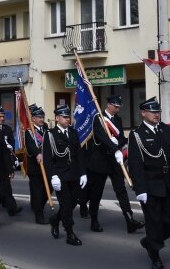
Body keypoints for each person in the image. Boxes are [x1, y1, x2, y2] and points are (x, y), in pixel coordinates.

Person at [128, 97, 170, 269]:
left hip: (167, 183)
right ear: (143, 113)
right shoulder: (136, 135)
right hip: (150, 186)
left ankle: (150, 241)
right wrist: (140, 190)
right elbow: (135, 164)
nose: (156, 114)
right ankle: (155, 256)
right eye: (153, 112)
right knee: (153, 222)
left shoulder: (165, 130)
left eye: (158, 111)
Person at [82, 95, 144, 233]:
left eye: (119, 107)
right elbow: (101, 137)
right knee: (96, 192)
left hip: (114, 161)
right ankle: (94, 220)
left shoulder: (118, 120)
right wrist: (114, 147)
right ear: (108, 105)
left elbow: (120, 137)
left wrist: (126, 142)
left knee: (121, 190)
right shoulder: (98, 118)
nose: (117, 109)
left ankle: (129, 219)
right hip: (99, 161)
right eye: (115, 106)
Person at [43, 105, 86, 245]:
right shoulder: (50, 134)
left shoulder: (73, 133)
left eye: (69, 117)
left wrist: (83, 173)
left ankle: (55, 219)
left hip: (73, 174)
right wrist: (52, 176)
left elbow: (79, 154)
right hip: (60, 175)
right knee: (66, 204)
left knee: (74, 202)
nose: (68, 119)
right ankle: (70, 233)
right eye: (65, 117)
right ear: (57, 118)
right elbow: (47, 158)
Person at [0, 106, 22, 216]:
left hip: (4, 163)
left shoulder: (7, 129)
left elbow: (11, 148)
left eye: (3, 116)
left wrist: (13, 159)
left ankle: (11, 208)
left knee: (7, 187)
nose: (2, 118)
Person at [24, 104, 50, 224]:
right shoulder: (29, 131)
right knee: (37, 191)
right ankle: (39, 216)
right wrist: (37, 153)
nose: (41, 119)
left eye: (42, 117)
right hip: (35, 167)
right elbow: (30, 145)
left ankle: (37, 205)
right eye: (38, 117)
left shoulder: (46, 128)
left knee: (49, 188)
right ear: (33, 118)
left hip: (47, 165)